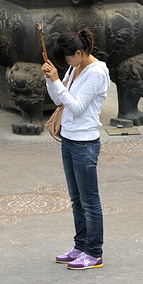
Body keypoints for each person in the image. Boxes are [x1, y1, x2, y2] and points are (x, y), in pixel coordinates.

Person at [41, 28, 110, 270]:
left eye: (69, 58)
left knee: (89, 200)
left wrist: (57, 81)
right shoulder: (74, 67)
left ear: (79, 53)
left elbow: (78, 107)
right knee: (76, 199)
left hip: (85, 142)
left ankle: (94, 252)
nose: (67, 62)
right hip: (69, 139)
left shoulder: (97, 72)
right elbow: (60, 101)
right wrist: (52, 80)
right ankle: (80, 245)